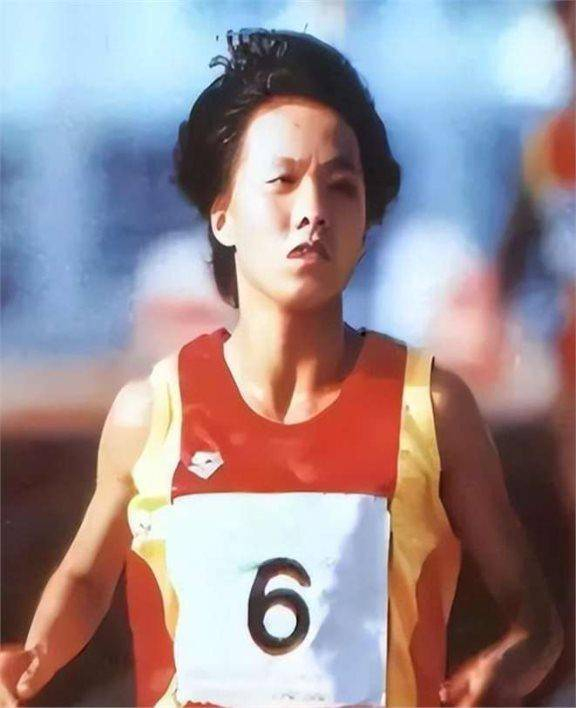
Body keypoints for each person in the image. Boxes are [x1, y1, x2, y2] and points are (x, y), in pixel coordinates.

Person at [0, 28, 563, 708]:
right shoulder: (151, 413)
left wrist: (505, 668)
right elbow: (86, 579)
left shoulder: (433, 408)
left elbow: (537, 625)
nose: (313, 212)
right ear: (223, 215)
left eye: (341, 186)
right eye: (282, 182)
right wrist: (32, 659)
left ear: (366, 220)